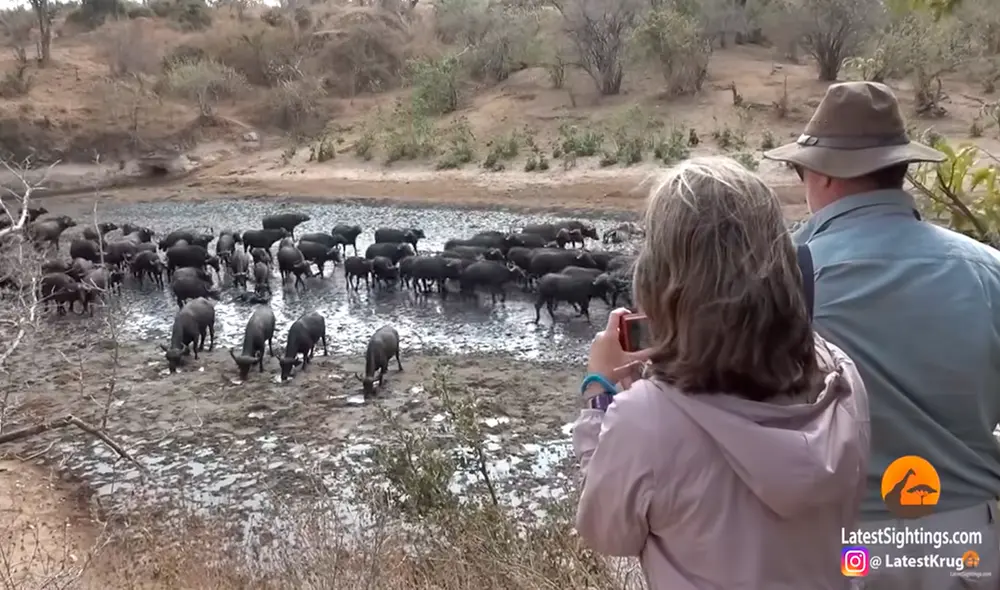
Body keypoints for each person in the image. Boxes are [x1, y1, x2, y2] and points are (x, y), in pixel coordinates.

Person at [573, 156, 870, 589]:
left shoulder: (645, 419)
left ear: (662, 278)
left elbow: (608, 533)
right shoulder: (842, 377)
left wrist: (601, 397)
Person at [763, 80, 1000, 589]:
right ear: (901, 170)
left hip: (843, 544)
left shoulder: (777, 280)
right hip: (966, 545)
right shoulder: (988, 272)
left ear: (824, 175)